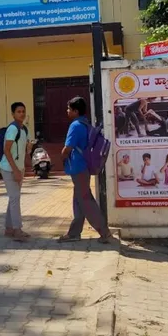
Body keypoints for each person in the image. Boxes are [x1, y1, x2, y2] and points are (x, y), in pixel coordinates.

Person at [58, 97, 111, 244]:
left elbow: (67, 148)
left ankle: (104, 232)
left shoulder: (75, 125)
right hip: (84, 167)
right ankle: (74, 233)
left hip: (78, 167)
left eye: (69, 109)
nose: (67, 111)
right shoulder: (85, 123)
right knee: (79, 200)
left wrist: (61, 157)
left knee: (86, 200)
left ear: (75, 111)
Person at [0, 102, 30, 242]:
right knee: (15, 198)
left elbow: (23, 150)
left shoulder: (24, 129)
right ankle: (17, 229)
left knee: (13, 198)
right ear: (13, 114)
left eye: (23, 111)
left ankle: (9, 228)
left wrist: (29, 147)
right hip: (9, 168)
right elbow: (6, 150)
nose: (21, 114)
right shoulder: (12, 129)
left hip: (19, 168)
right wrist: (16, 170)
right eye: (18, 111)